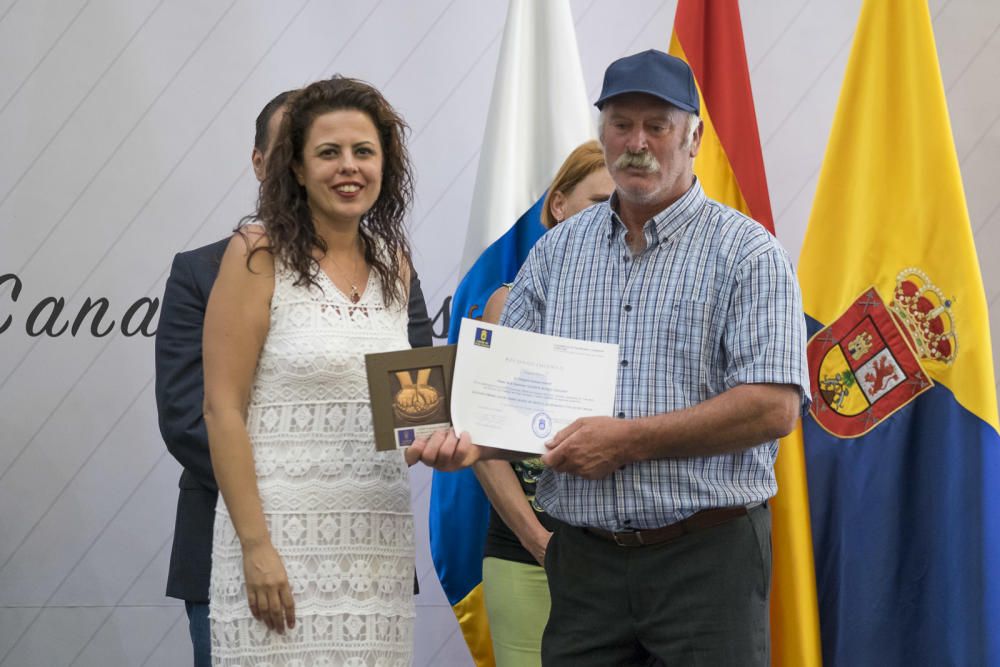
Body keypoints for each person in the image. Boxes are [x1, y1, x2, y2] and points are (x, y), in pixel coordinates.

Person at [414, 49, 810, 666]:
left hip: (706, 559)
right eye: (622, 124)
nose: (638, 142)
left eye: (658, 125)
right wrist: (469, 440)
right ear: (602, 134)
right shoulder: (555, 254)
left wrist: (627, 441)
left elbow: (772, 409)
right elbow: (512, 396)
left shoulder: (748, 253)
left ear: (694, 136)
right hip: (585, 562)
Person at [156, 82, 432, 667]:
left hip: (372, 546)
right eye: (329, 153)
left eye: (364, 150)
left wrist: (449, 443)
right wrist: (256, 547)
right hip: (277, 546)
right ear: (297, 168)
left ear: (386, 162)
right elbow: (220, 410)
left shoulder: (396, 264)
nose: (349, 167)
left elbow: (415, 419)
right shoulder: (256, 253)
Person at [473, 140, 613, 667]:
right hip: (528, 555)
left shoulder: (648, 306)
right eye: (599, 201)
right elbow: (483, 439)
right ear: (558, 204)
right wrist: (538, 541)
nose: (613, 216)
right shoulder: (509, 304)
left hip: (631, 560)